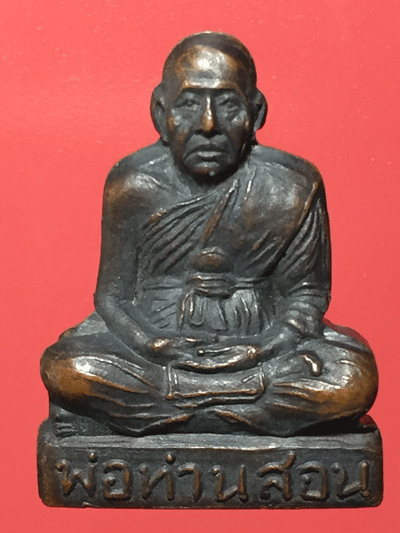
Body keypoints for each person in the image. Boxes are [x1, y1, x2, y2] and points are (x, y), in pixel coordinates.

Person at [41, 32, 378, 438]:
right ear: (160, 113)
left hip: (261, 351)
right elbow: (112, 297)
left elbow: (306, 295)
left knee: (352, 378)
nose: (208, 125)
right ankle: (244, 412)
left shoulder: (292, 186)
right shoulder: (133, 184)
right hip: (159, 354)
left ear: (256, 113)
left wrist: (260, 348)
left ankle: (166, 413)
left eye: (228, 104)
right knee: (67, 367)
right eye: (188, 104)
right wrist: (151, 344)